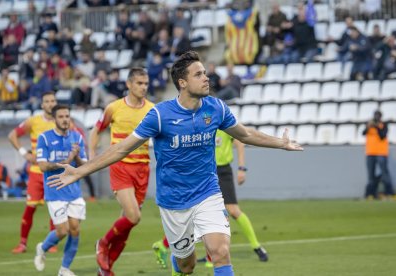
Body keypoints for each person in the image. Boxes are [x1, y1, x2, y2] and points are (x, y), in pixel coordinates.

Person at [47, 51, 303, 276]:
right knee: (186, 264)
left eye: (205, 73)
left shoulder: (216, 108)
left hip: (208, 193)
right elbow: (122, 148)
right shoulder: (160, 115)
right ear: (183, 82)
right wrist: (80, 170)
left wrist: (280, 143)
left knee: (220, 250)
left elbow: (245, 134)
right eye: (199, 74)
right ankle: (179, 263)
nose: (206, 78)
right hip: (173, 202)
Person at [152, 130, 268, 269]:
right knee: (201, 212)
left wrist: (241, 168)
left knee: (231, 210)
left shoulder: (222, 118)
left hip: (222, 170)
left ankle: (256, 246)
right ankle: (198, 255)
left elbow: (240, 141)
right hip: (203, 170)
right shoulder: (200, 120)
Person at [89, 68, 154, 275]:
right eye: (139, 83)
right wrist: (92, 154)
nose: (143, 87)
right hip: (121, 167)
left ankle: (106, 270)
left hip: (143, 169)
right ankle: (102, 243)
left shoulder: (153, 110)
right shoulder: (114, 108)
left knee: (126, 225)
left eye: (145, 84)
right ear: (129, 84)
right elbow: (96, 130)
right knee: (134, 216)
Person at [34, 105, 87, 276]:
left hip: (74, 192)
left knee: (75, 230)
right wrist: (67, 159)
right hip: (55, 190)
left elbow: (84, 167)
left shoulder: (77, 137)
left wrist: (77, 156)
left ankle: (64, 269)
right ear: (54, 119)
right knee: (62, 230)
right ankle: (42, 248)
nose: (65, 119)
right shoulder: (45, 138)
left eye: (67, 116)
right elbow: (42, 166)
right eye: (61, 116)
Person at [8, 91, 58, 254]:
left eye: (53, 101)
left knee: (54, 208)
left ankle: (52, 243)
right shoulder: (34, 121)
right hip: (37, 173)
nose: (50, 104)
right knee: (30, 208)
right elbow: (12, 135)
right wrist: (24, 153)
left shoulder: (62, 121)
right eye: (47, 101)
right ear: (42, 105)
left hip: (53, 173)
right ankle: (22, 244)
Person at [363, 110, 395, 199]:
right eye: (375, 115)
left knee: (385, 174)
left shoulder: (384, 125)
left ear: (380, 117)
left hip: (381, 152)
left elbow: (382, 136)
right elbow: (363, 133)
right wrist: (369, 126)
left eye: (378, 116)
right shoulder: (369, 125)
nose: (376, 117)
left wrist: (377, 127)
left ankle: (390, 193)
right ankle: (371, 194)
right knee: (370, 175)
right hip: (370, 152)